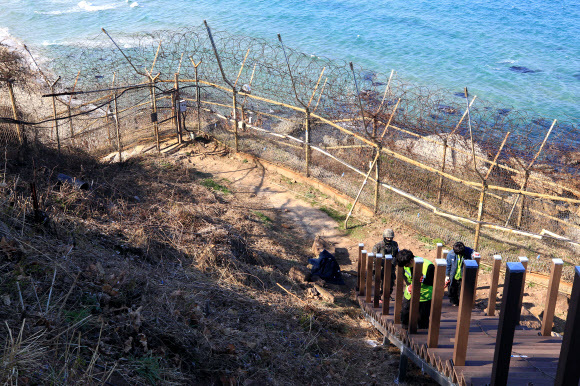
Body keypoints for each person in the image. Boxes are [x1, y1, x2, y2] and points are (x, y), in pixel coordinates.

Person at [396, 249, 434, 329]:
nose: (405, 267)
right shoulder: (405, 265)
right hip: (409, 294)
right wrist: (409, 285)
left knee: (423, 319)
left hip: (424, 295)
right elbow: (405, 276)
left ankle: (422, 337)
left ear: (411, 260)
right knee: (405, 313)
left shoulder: (428, 266)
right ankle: (405, 331)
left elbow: (433, 282)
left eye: (406, 265)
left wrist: (424, 280)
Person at [445, 241, 474, 306]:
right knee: (452, 289)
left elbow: (473, 252)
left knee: (461, 290)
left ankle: (461, 302)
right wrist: (447, 276)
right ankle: (454, 302)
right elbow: (448, 265)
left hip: (462, 275)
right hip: (454, 275)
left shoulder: (468, 252)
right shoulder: (450, 254)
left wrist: (475, 254)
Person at [372, 228, 399, 295]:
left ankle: (387, 295)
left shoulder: (395, 244)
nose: (389, 239)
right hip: (381, 268)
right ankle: (379, 296)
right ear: (384, 237)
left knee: (390, 282)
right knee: (380, 282)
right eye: (388, 238)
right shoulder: (379, 246)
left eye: (391, 238)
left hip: (391, 267)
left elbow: (397, 253)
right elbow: (374, 256)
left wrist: (395, 260)